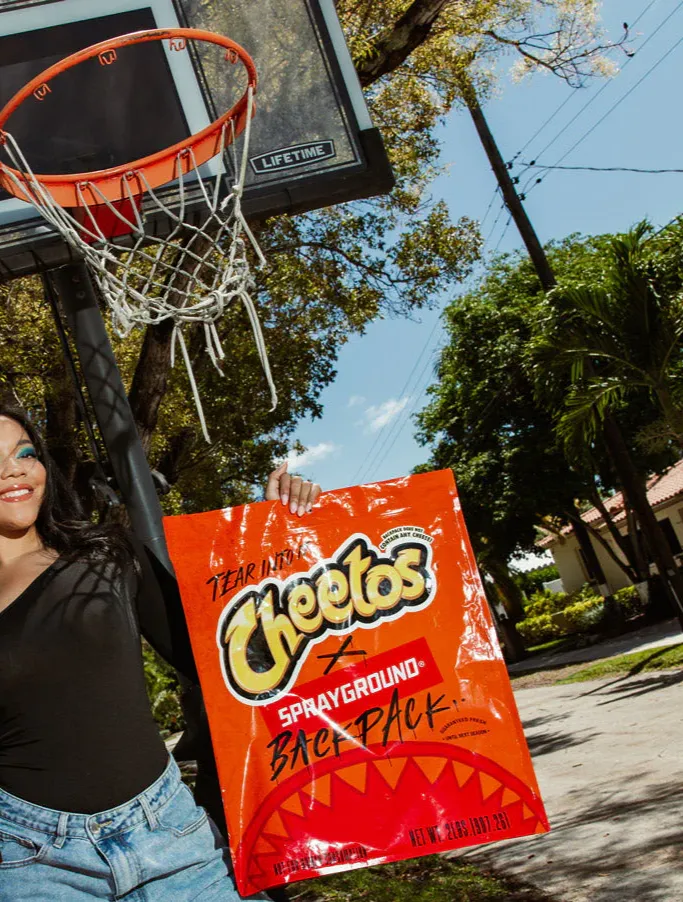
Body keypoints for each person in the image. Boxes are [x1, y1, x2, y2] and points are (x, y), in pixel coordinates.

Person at [0, 406, 320, 899]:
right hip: (30, 863)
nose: (14, 470)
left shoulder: (108, 553)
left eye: (25, 454)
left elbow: (227, 656)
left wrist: (273, 536)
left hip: (172, 839)